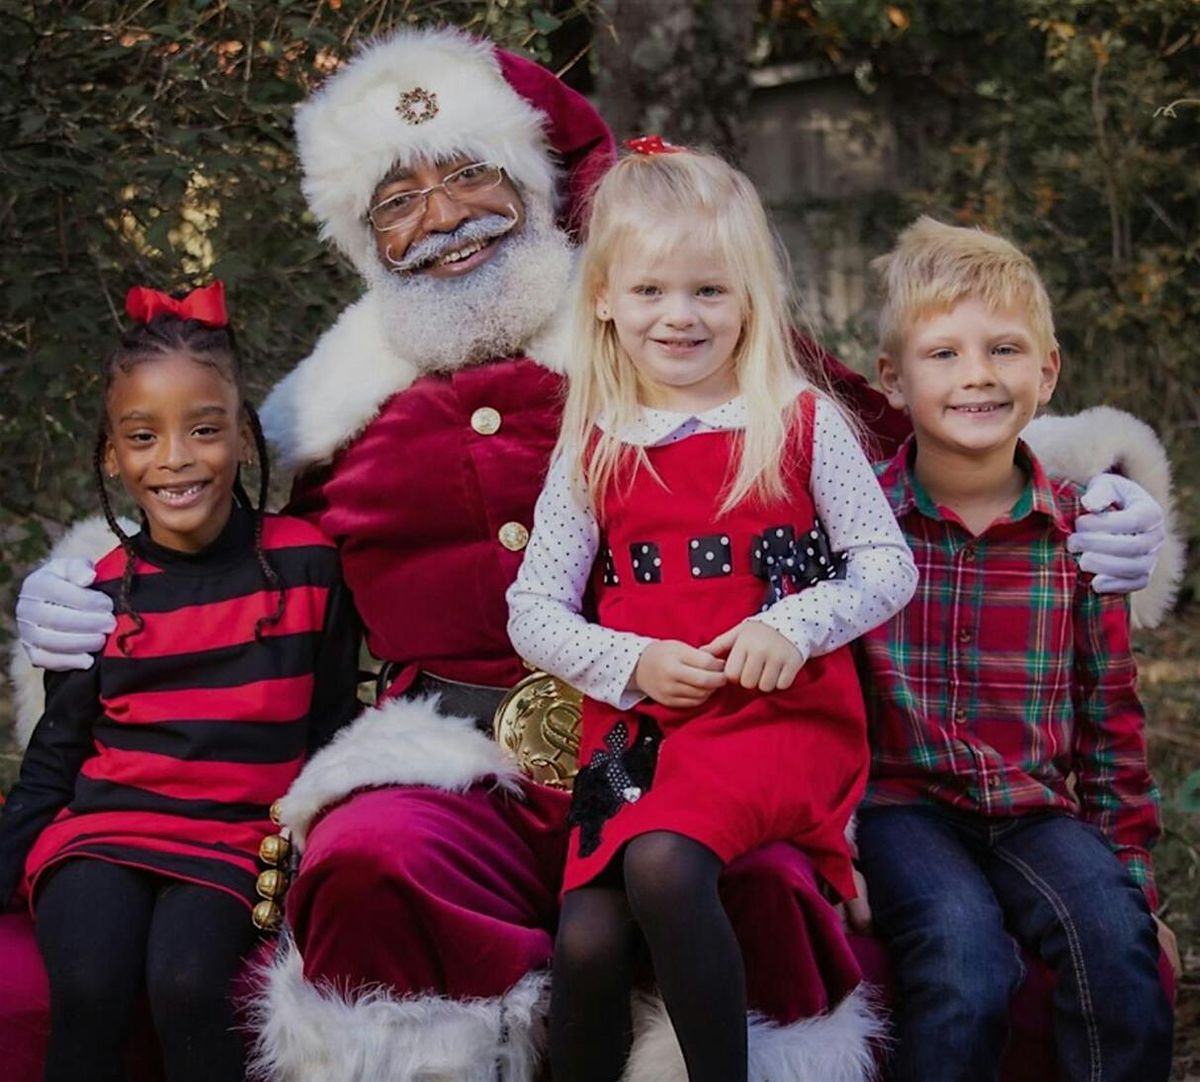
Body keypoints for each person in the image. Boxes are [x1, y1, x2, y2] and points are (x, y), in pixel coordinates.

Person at [6, 28, 1177, 1082]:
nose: (443, 215)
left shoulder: (679, 338)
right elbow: (204, 508)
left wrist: (1086, 492)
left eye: (472, 175)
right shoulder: (329, 408)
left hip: (689, 726)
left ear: (536, 186)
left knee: (744, 885)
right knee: (369, 858)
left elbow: (904, 437)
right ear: (362, 235)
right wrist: (76, 581)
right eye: (400, 197)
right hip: (449, 743)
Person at [506, 145, 917, 1082]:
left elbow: (885, 567)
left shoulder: (798, 420)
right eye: (651, 290)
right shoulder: (595, 443)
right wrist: (633, 662)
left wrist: (792, 625)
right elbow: (533, 611)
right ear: (605, 297)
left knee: (662, 864)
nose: (680, 317)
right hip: (641, 721)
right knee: (587, 940)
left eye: (709, 291)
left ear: (750, 299)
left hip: (775, 718)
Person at [0, 283, 360, 1082]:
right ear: (111, 453)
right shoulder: (98, 591)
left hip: (234, 840)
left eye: (203, 430)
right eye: (142, 436)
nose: (174, 459)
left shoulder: (308, 565)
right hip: (102, 832)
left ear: (240, 435)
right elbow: (57, 753)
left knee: (188, 981)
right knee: (91, 983)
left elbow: (334, 727)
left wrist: (319, 849)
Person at [853, 217, 1174, 1082]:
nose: (979, 376)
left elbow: (1111, 724)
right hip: (900, 809)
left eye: (1003, 349)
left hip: (1034, 810)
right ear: (893, 377)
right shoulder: (858, 528)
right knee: (964, 960)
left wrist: (1135, 874)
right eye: (944, 354)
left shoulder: (1082, 535)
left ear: (1048, 370)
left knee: (1114, 936)